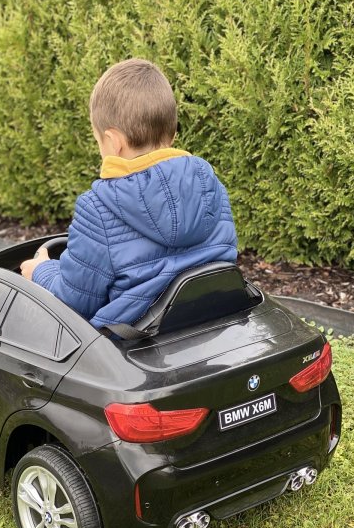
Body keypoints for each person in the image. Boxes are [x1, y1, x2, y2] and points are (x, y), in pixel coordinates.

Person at [20, 58, 238, 331]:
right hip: (207, 329)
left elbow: (73, 303)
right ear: (172, 134)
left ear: (114, 142)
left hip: (130, 345)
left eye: (98, 141)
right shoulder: (210, 185)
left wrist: (41, 271)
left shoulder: (98, 209)